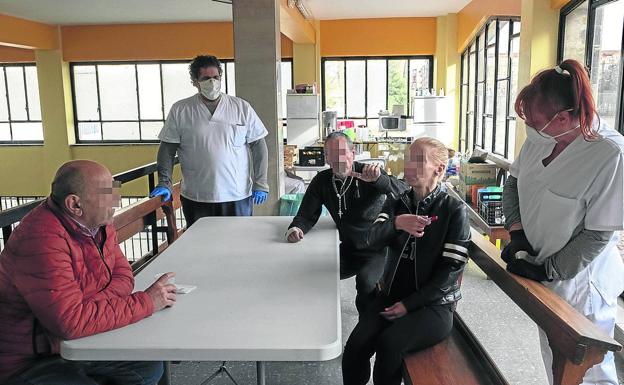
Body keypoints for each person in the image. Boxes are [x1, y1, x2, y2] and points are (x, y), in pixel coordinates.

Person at [502, 59, 624, 385]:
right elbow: (513, 183)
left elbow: (598, 234)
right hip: (543, 272)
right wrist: (518, 235)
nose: (531, 128)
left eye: (537, 121)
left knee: (589, 370)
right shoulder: (541, 137)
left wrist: (549, 269)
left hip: (582, 283)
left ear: (565, 117)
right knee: (554, 358)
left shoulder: (609, 154)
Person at [0, 160, 177, 385]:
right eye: (107, 193)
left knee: (149, 364)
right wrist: (147, 302)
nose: (116, 200)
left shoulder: (98, 222)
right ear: (75, 204)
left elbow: (124, 276)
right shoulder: (41, 238)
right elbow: (71, 323)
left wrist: (88, 310)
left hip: (76, 341)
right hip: (31, 361)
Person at [342, 137, 470, 385]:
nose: (409, 165)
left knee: (390, 345)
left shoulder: (454, 210)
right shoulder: (397, 201)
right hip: (391, 297)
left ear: (439, 169)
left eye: (418, 160)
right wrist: (396, 224)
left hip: (434, 306)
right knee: (355, 346)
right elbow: (368, 239)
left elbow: (450, 272)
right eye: (408, 158)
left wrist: (410, 304)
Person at [286, 132, 409, 315]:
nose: (337, 159)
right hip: (348, 247)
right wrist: (296, 229)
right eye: (331, 154)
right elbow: (306, 214)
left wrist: (378, 180)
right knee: (313, 275)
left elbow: (404, 192)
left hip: (377, 247)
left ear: (353, 152)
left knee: (366, 282)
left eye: (342, 153)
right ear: (326, 157)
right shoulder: (322, 181)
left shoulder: (368, 172)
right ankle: (314, 318)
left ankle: (367, 325)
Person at [151, 55, 269, 226]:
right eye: (206, 78)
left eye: (216, 77)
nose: (212, 82)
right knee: (202, 247)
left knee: (239, 244)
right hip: (197, 196)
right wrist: (164, 182)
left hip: (237, 195)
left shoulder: (241, 107)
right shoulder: (181, 110)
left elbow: (258, 146)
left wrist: (261, 182)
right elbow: (167, 149)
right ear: (195, 81)